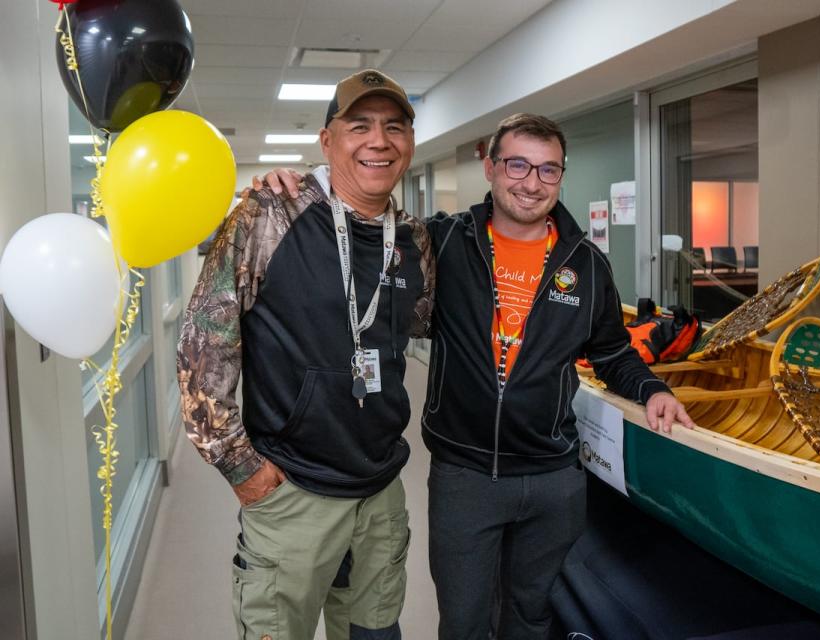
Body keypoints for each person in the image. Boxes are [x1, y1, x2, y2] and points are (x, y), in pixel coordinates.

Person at [256, 113, 693, 640]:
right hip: (466, 477)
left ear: (560, 177)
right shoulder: (439, 242)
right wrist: (300, 188)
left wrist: (651, 388)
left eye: (548, 170)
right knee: (463, 623)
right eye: (517, 164)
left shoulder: (588, 263)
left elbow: (611, 352)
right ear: (490, 167)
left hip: (552, 478)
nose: (531, 182)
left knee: (530, 617)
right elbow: (360, 228)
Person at [177, 69, 434, 640]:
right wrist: (243, 471)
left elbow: (414, 324)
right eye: (359, 125)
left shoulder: (413, 239)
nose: (379, 140)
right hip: (291, 491)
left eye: (395, 127)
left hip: (379, 492)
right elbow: (200, 351)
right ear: (327, 140)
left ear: (409, 144)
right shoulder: (268, 215)